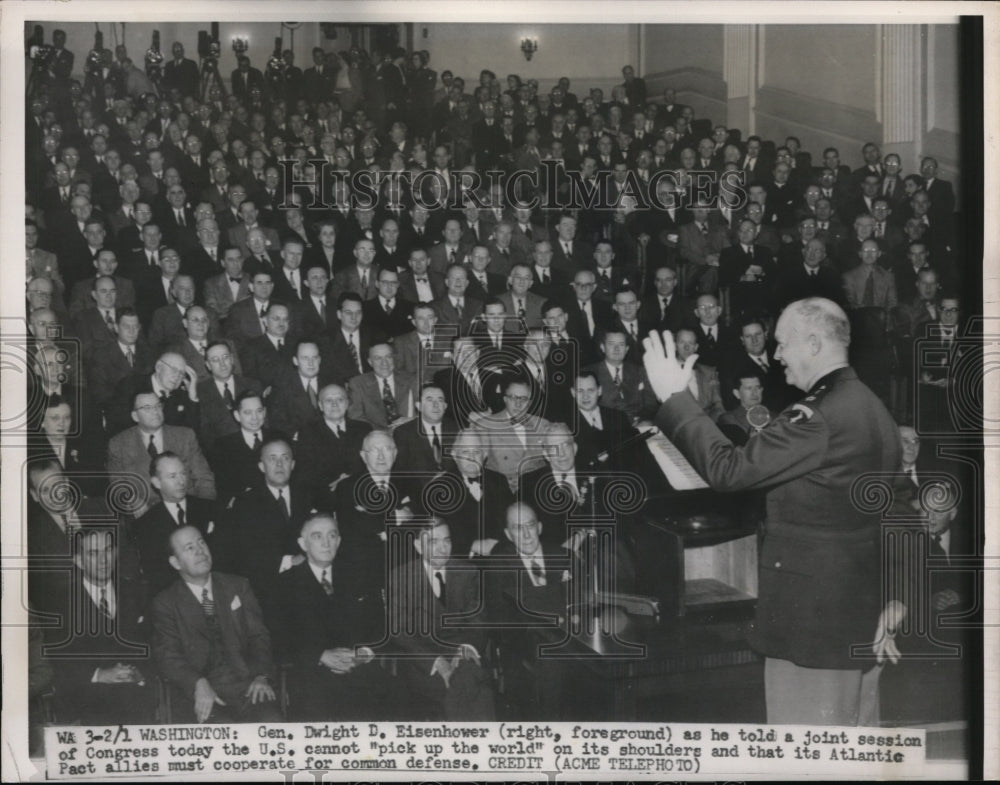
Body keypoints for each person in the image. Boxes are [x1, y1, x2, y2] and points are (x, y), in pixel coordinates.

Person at [641, 297, 902, 726]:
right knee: (856, 752)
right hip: (856, 617)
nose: (775, 354)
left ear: (814, 343)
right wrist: (894, 597)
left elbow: (729, 469)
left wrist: (674, 397)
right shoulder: (873, 407)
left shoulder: (818, 416)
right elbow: (892, 510)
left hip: (810, 627)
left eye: (782, 343)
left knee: (806, 760)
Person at [151, 526, 282, 723]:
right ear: (175, 562)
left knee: (272, 723)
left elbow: (259, 636)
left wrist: (261, 675)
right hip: (201, 691)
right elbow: (168, 656)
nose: (200, 551)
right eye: (189, 548)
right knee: (220, 733)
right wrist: (197, 683)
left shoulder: (238, 586)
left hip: (248, 686)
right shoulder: (165, 602)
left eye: (201, 542)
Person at [276, 514, 392, 720]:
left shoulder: (360, 575)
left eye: (332, 535)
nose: (326, 543)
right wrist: (320, 656)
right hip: (312, 674)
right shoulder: (284, 585)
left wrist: (362, 653)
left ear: (339, 541)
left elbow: (380, 626)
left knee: (396, 699)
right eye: (317, 536)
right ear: (303, 544)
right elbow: (280, 639)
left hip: (360, 669)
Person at [385, 518, 495, 720]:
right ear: (418, 546)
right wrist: (438, 663)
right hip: (425, 663)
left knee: (465, 683)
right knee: (475, 691)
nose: (443, 548)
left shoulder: (467, 572)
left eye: (447, 540)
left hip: (463, 655)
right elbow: (399, 632)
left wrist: (465, 650)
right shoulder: (400, 577)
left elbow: (478, 621)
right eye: (433, 542)